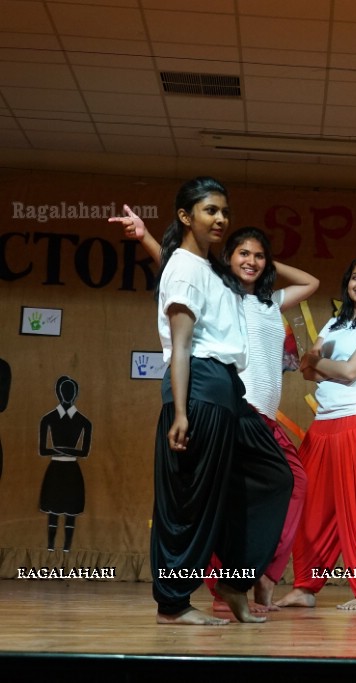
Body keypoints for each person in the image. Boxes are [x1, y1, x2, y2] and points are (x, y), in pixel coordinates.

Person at [113, 214, 319, 611]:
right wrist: (145, 238)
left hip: (266, 417)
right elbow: (178, 268)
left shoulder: (270, 300)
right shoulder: (223, 292)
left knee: (286, 485)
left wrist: (267, 264)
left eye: (259, 256)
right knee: (232, 495)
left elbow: (311, 282)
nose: (252, 261)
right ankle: (228, 583)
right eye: (244, 253)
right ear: (228, 257)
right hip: (238, 409)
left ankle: (255, 576)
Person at [145, 177, 293, 625]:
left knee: (272, 477)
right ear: (186, 217)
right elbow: (181, 344)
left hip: (229, 390)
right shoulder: (186, 267)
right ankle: (173, 602)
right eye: (211, 210)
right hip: (202, 389)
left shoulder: (209, 268)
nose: (221, 219)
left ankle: (234, 580)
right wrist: (183, 410)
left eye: (224, 211)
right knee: (191, 498)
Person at [275, 257, 356, 610]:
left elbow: (346, 371)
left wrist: (329, 366)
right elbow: (306, 369)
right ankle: (305, 587)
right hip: (325, 422)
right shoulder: (334, 322)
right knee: (310, 508)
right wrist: (334, 368)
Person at [38, 376, 91, 553]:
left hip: (71, 469)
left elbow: (84, 452)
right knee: (53, 509)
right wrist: (66, 450)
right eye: (65, 391)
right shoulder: (49, 418)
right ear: (59, 393)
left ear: (75, 394)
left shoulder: (84, 421)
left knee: (70, 511)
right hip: (56, 468)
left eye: (71, 391)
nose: (68, 394)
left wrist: (60, 449)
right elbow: (43, 450)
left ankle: (67, 547)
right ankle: (51, 547)